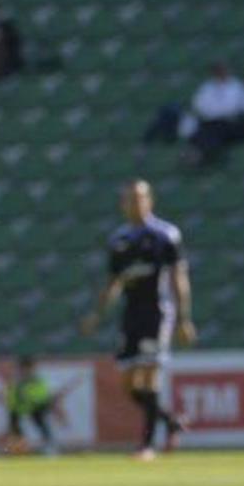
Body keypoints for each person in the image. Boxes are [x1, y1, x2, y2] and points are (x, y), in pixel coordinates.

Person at [79, 179, 195, 460]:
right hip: (131, 316)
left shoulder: (166, 235)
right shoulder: (119, 240)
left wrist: (183, 318)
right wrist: (97, 314)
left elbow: (179, 277)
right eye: (130, 199)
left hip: (157, 313)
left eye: (141, 198)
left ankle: (146, 446)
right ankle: (169, 422)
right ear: (123, 205)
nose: (136, 203)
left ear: (150, 201)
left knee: (150, 374)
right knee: (129, 385)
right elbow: (113, 283)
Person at [188, 63, 244, 166]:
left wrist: (213, 110)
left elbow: (232, 108)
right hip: (210, 121)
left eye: (222, 71)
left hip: (229, 122)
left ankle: (202, 156)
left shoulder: (236, 86)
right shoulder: (207, 87)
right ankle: (202, 155)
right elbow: (198, 104)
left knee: (214, 130)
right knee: (200, 130)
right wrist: (214, 110)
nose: (220, 74)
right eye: (217, 71)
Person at [5, 355, 57, 455]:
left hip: (34, 406)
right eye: (23, 368)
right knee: (14, 425)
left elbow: (43, 396)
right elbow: (11, 397)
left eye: (27, 368)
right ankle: (18, 448)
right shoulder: (17, 381)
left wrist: (33, 401)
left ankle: (49, 446)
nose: (25, 371)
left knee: (40, 422)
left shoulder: (36, 380)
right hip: (20, 407)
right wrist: (14, 406)